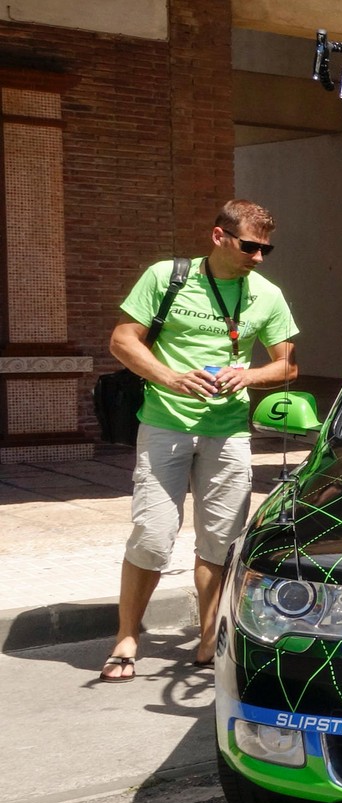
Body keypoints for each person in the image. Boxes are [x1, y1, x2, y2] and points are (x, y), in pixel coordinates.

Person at [100, 201, 299, 682]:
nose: (259, 257)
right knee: (152, 534)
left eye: (266, 248)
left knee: (222, 541)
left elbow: (287, 365)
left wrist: (248, 374)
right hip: (165, 424)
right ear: (219, 236)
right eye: (250, 246)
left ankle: (210, 635)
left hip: (228, 431)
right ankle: (128, 634)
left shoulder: (266, 295)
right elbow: (123, 341)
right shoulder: (167, 277)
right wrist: (170, 377)